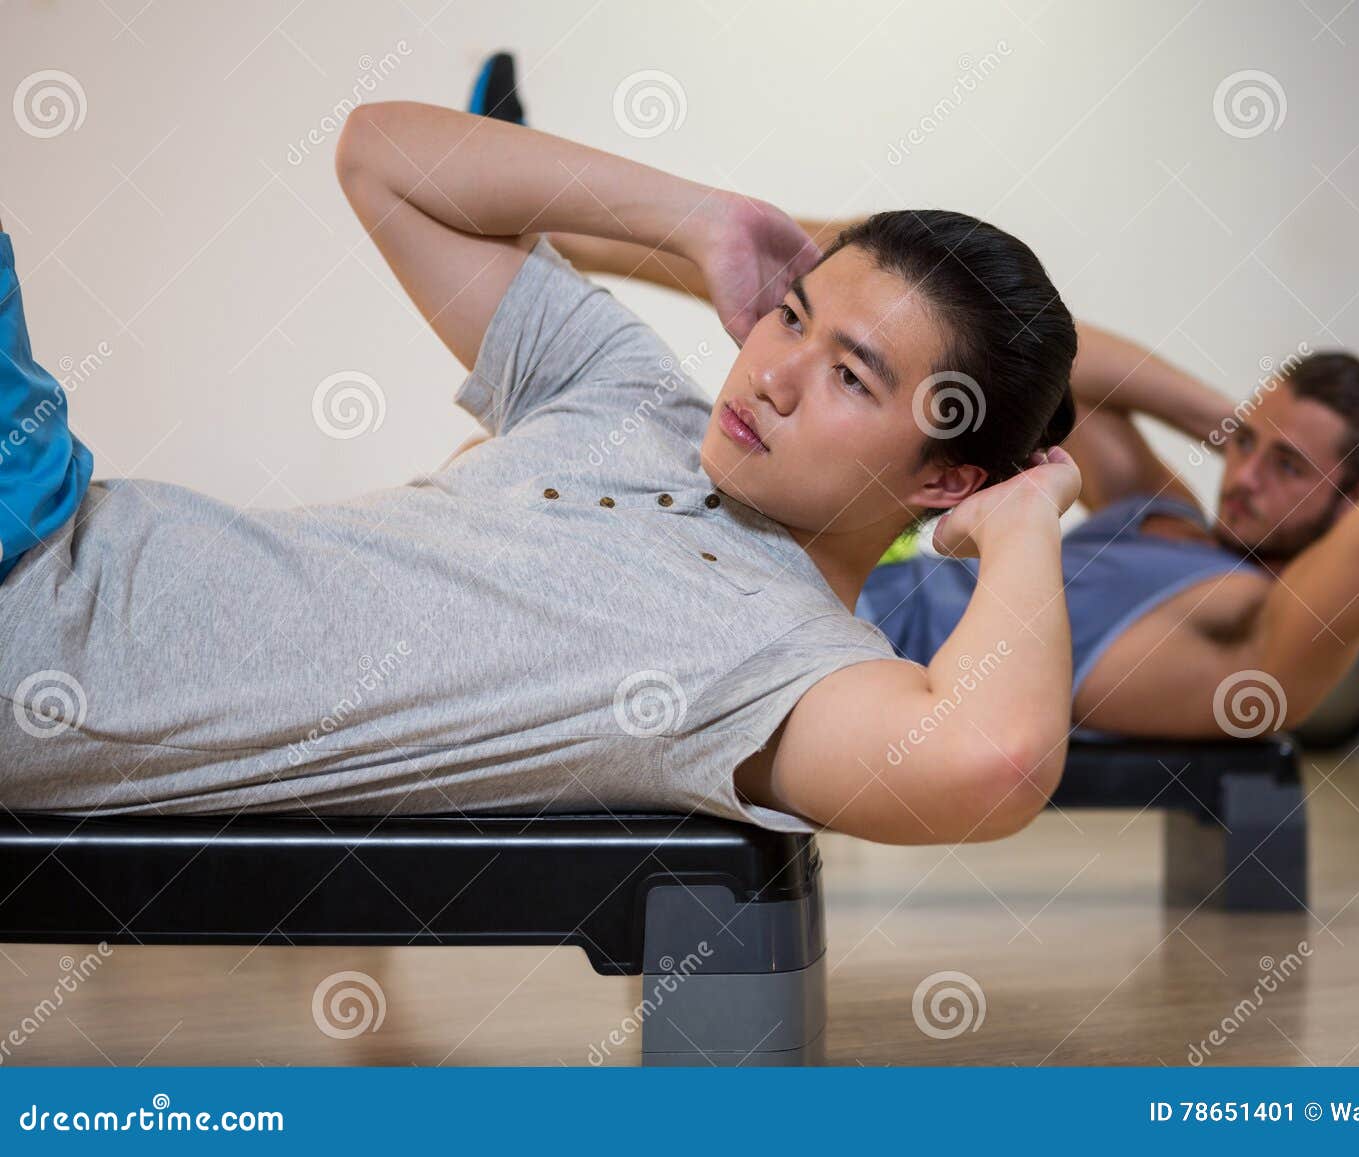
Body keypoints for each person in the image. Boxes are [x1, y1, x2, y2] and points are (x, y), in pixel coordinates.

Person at [0, 100, 1080, 845]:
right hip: (62, 515)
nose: (775, 371)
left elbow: (990, 758)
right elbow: (384, 157)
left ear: (946, 478)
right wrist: (697, 216)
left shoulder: (782, 665)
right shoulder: (628, 389)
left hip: (37, 625)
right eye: (791, 316)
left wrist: (1025, 518)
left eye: (850, 377)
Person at [559, 221, 1359, 740]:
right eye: (1246, 445)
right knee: (881, 274)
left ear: (1348, 503)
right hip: (829, 572)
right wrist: (1220, 417)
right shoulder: (1166, 514)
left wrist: (1330, 491)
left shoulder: (1250, 624)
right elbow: (1053, 365)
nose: (1246, 476)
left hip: (831, 645)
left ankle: (552, 237)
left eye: (1288, 466)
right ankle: (565, 233)